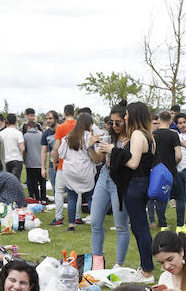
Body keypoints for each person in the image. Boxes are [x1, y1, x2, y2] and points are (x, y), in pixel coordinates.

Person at [109, 102, 157, 281]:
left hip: (135, 185)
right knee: (139, 227)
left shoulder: (137, 134)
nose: (125, 117)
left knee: (140, 228)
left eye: (127, 114)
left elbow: (133, 163)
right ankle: (145, 267)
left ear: (134, 116)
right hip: (143, 184)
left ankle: (147, 271)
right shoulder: (149, 136)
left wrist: (114, 151)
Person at [90, 102, 131, 269]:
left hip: (120, 180)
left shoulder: (133, 139)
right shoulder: (109, 137)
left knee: (121, 225)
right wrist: (90, 146)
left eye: (117, 122)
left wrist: (115, 150)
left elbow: (132, 162)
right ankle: (97, 261)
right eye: (112, 122)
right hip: (104, 176)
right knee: (95, 221)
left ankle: (119, 264)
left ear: (126, 120)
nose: (114, 126)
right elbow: (97, 159)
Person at [58, 112, 103, 231]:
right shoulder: (89, 137)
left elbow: (61, 153)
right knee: (90, 198)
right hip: (85, 171)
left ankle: (71, 225)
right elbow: (94, 155)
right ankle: (96, 224)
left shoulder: (69, 136)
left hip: (70, 170)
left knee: (72, 198)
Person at [149, 110, 182, 229]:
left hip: (157, 172)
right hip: (171, 171)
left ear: (159, 120)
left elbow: (151, 153)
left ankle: (163, 225)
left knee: (159, 198)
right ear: (171, 121)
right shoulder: (173, 134)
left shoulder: (153, 135)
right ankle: (180, 225)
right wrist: (173, 163)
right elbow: (179, 155)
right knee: (179, 197)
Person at [49, 105, 76, 226]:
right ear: (74, 113)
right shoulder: (78, 126)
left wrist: (54, 162)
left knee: (59, 192)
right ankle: (77, 216)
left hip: (63, 164)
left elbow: (56, 148)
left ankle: (59, 217)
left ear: (64, 114)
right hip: (76, 164)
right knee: (77, 192)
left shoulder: (60, 127)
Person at [22, 120, 45, 202]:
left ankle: (37, 198)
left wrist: (24, 160)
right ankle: (43, 198)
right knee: (42, 182)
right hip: (40, 162)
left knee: (33, 182)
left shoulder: (25, 136)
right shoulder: (41, 134)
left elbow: (24, 150)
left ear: (28, 127)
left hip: (30, 162)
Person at [0, 113, 25, 180]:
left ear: (6, 121)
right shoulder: (18, 133)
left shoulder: (1, 133)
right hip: (16, 159)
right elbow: (22, 148)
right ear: (16, 121)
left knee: (7, 181)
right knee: (15, 181)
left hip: (5, 159)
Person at [40, 110, 58, 205]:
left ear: (56, 119)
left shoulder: (62, 130)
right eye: (47, 119)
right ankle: (58, 210)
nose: (48, 121)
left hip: (66, 164)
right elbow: (43, 152)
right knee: (55, 188)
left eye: (50, 118)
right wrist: (43, 168)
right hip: (52, 165)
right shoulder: (46, 134)